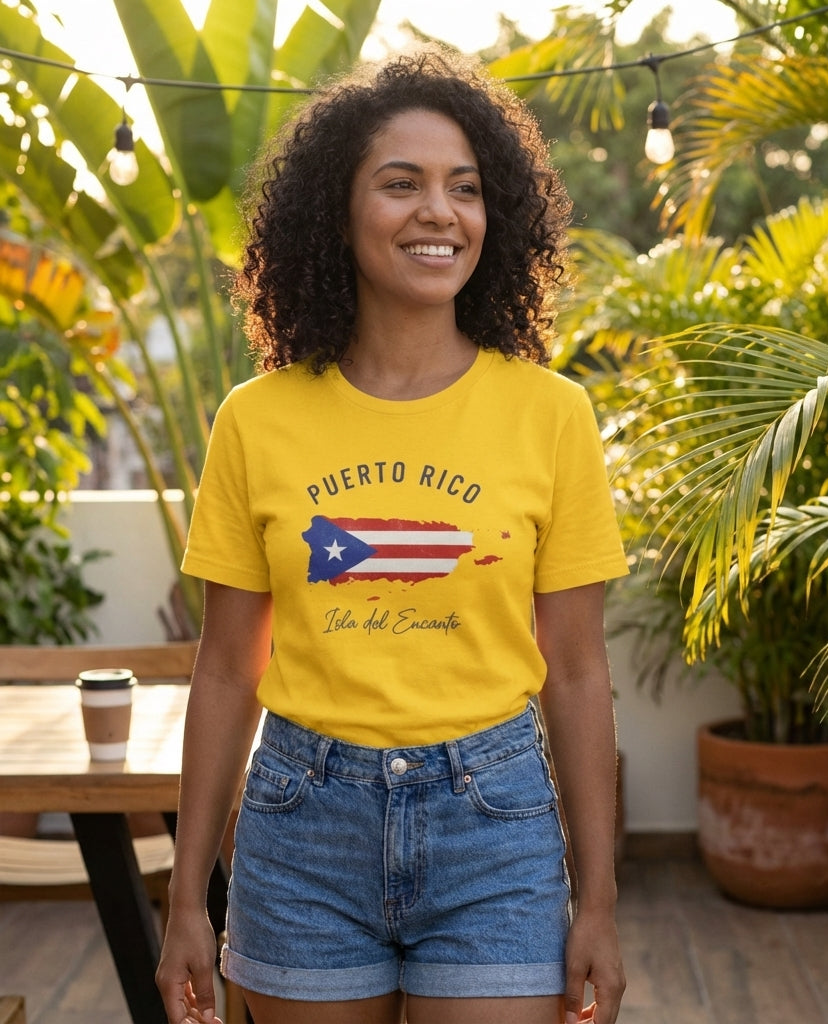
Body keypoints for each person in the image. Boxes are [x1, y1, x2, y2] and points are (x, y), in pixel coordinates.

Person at [156, 46, 628, 1024]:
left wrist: (599, 903)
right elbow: (228, 668)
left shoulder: (551, 414)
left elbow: (579, 672)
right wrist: (186, 898)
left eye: (465, 187)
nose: (439, 212)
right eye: (401, 183)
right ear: (337, 211)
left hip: (495, 828)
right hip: (300, 831)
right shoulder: (256, 418)